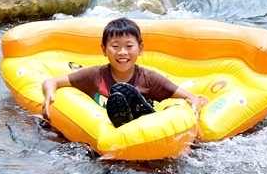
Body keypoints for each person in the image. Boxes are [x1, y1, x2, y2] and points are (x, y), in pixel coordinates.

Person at [40, 18, 208, 127]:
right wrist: (49, 97)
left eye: (129, 46)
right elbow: (51, 81)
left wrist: (193, 111)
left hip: (145, 131)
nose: (122, 52)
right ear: (104, 49)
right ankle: (122, 112)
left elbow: (190, 97)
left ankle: (140, 110)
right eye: (115, 46)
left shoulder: (149, 79)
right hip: (106, 129)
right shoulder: (94, 76)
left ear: (140, 49)